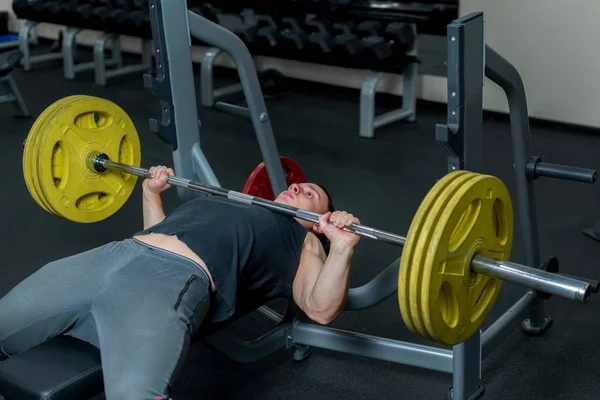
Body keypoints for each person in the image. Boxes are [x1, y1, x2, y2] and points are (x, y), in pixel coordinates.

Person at [0, 165, 361, 400]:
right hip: (112, 256)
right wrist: (151, 193)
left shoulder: (304, 241)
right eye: (297, 184)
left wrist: (340, 246)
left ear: (318, 221)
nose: (297, 188)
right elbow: (154, 231)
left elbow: (320, 308)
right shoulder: (230, 202)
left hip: (166, 284)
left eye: (310, 193)